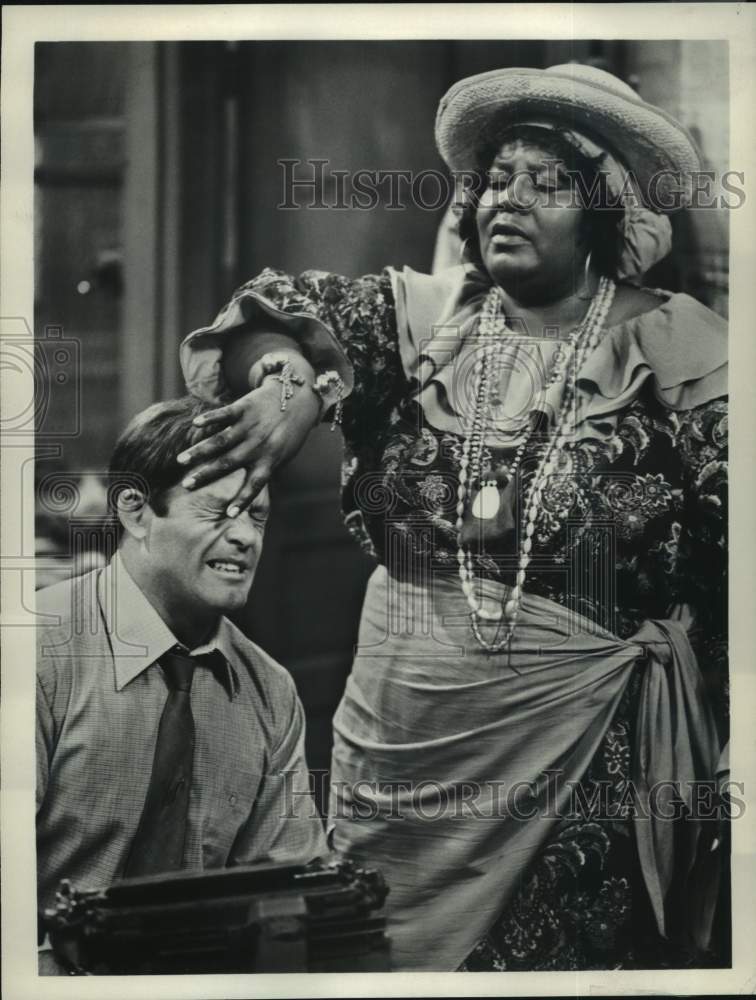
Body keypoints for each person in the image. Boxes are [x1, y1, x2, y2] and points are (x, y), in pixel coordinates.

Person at [177, 64, 728, 971]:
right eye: (497, 180)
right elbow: (290, 316)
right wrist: (286, 384)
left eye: (547, 183)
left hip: (575, 762)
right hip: (396, 747)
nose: (508, 199)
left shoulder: (684, 354)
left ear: (603, 214)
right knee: (370, 959)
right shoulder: (423, 323)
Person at [36, 396, 327, 973]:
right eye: (220, 511)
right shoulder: (36, 652)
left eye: (257, 515)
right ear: (137, 512)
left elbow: (284, 903)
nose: (246, 536)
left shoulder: (269, 691)